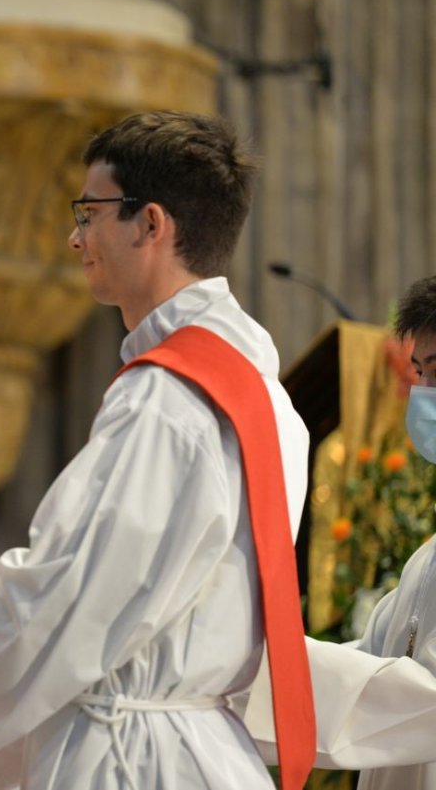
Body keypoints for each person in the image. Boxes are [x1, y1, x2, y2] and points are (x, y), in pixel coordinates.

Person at [0, 111, 315, 789]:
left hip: (133, 759)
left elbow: (68, 596)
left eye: (91, 212)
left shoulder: (167, 400)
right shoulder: (261, 392)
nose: (76, 237)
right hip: (206, 748)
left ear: (151, 224)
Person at [242, 274, 436, 789]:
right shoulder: (427, 558)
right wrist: (243, 659)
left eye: (435, 374)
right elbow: (371, 662)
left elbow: (423, 700)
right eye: (416, 374)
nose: (420, 396)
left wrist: (240, 671)